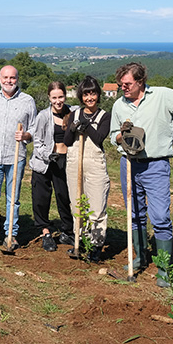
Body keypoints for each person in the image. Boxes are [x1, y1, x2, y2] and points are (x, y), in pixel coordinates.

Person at [109, 62, 173, 287]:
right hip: (129, 164)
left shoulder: (163, 96)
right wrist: (121, 136)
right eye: (120, 84)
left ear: (140, 81)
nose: (123, 88)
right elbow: (113, 135)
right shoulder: (118, 106)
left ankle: (164, 268)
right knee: (135, 214)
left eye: (127, 84)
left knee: (161, 217)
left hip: (155, 165)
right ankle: (140, 257)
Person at [0, 65, 37, 251]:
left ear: (17, 79)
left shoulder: (27, 101)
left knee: (13, 198)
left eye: (12, 78)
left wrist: (25, 136)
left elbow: (34, 130)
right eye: (5, 77)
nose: (9, 81)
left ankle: (10, 234)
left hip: (16, 156)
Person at [64, 76, 111, 263]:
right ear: (81, 96)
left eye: (93, 93)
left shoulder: (104, 116)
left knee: (96, 207)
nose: (89, 98)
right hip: (74, 162)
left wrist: (87, 126)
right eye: (86, 94)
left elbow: (99, 137)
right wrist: (73, 127)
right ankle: (80, 241)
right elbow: (67, 141)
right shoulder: (75, 114)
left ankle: (96, 246)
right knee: (77, 205)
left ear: (98, 94)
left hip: (94, 164)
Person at [29, 81, 74, 252]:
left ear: (65, 96)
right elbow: (37, 141)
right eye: (54, 98)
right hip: (44, 161)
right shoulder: (42, 116)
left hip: (65, 161)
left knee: (65, 196)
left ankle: (67, 230)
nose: (58, 101)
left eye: (61, 97)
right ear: (49, 98)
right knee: (41, 197)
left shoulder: (73, 113)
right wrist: (48, 155)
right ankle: (46, 232)